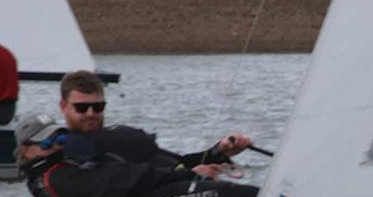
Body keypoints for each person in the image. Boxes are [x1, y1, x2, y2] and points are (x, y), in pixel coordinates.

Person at [15, 113, 258, 197]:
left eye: (60, 138)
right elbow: (127, 179)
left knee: (233, 196)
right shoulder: (53, 181)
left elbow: (160, 167)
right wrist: (190, 174)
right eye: (46, 142)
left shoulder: (71, 162)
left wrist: (216, 153)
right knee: (236, 196)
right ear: (26, 151)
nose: (55, 145)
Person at [58, 69, 251, 177]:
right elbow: (132, 179)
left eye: (98, 107)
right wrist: (190, 175)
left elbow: (179, 163)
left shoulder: (120, 137)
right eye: (82, 108)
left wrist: (219, 151)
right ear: (64, 106)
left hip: (185, 182)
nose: (91, 114)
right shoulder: (71, 147)